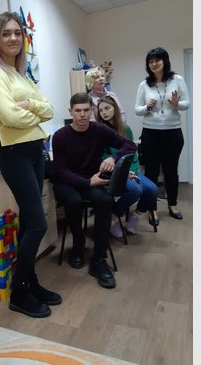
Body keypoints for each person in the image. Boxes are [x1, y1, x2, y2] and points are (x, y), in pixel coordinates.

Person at [0, 11, 60, 318]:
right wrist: (33, 115)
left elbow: (50, 109)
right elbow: (9, 116)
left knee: (28, 221)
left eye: (17, 32)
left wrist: (30, 105)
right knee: (39, 223)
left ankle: (30, 283)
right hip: (15, 153)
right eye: (6, 33)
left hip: (35, 150)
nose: (13, 38)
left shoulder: (20, 75)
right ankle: (18, 292)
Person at [52, 92, 137, 289]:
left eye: (86, 110)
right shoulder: (60, 136)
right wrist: (87, 182)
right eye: (78, 111)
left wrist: (113, 158)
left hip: (92, 179)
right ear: (70, 111)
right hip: (68, 182)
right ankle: (78, 245)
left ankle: (99, 259)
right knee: (73, 202)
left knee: (105, 201)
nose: (82, 115)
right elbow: (60, 171)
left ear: (91, 110)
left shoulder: (99, 129)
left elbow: (129, 145)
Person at [134, 47, 190, 225]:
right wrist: (147, 108)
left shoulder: (177, 80)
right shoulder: (144, 85)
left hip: (173, 132)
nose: (154, 64)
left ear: (165, 61)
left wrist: (176, 103)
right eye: (150, 61)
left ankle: (173, 204)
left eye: (157, 60)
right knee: (151, 172)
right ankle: (152, 208)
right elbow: (137, 110)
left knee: (171, 171)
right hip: (150, 133)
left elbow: (187, 103)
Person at [95, 96, 158, 236]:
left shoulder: (126, 129)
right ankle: (112, 217)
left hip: (130, 171)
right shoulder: (99, 131)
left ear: (115, 109)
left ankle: (135, 215)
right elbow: (102, 158)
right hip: (113, 172)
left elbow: (132, 154)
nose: (104, 112)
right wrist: (123, 172)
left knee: (152, 190)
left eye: (107, 108)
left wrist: (131, 172)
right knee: (135, 190)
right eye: (101, 110)